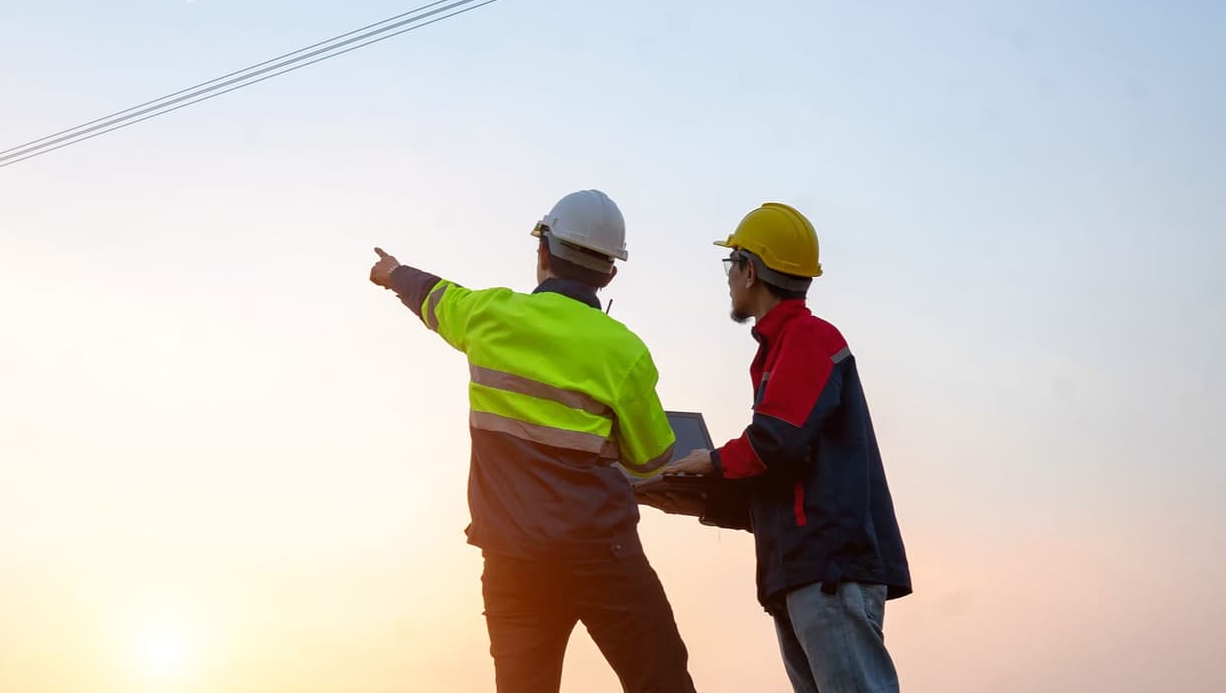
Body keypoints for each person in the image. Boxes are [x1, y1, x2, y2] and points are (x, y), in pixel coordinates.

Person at [369, 189, 697, 693]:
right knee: (660, 679)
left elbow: (432, 294)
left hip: (513, 561)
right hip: (603, 555)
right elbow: (652, 456)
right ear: (611, 273)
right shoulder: (625, 351)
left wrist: (393, 273)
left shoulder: (488, 315)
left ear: (543, 252)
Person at [652, 202, 910, 693]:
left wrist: (712, 461)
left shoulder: (809, 338)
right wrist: (702, 499)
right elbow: (790, 481)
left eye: (732, 264)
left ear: (751, 271)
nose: (728, 277)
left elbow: (779, 442)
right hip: (802, 570)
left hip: (827, 570)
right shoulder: (786, 345)